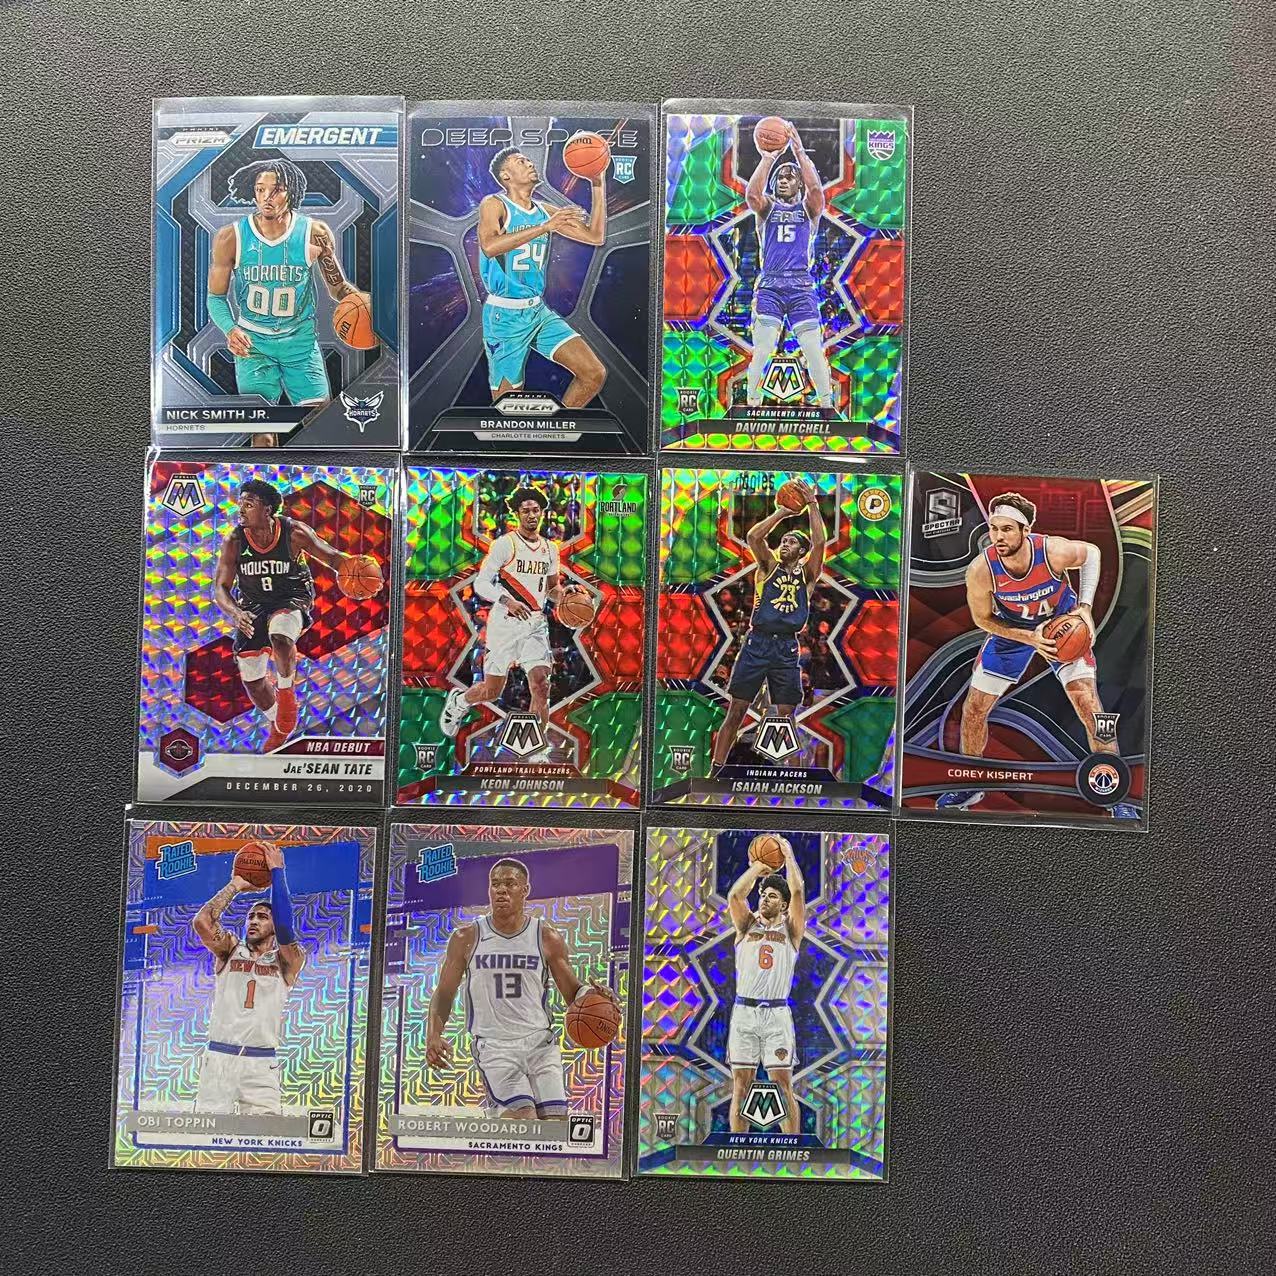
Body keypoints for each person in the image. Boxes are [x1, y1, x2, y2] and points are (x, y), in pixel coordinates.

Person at [937, 491, 1139, 819]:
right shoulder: (981, 570)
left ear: (1025, 530)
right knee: (973, 709)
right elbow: (982, 619)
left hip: (1062, 627)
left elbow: (1092, 553)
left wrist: (1085, 608)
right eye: (994, 528)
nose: (998, 537)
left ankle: (1115, 790)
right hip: (1014, 632)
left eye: (1007, 529)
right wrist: (1028, 637)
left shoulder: (1052, 551)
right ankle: (971, 781)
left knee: (1090, 705)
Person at [425, 858, 619, 1118]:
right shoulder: (466, 938)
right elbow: (445, 993)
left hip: (540, 1045)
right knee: (523, 1117)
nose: (501, 890)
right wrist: (433, 1035)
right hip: (496, 1047)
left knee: (555, 1125)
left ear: (525, 890)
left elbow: (572, 992)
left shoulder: (546, 937)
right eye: (495, 884)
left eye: (510, 884)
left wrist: (594, 996)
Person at [206, 157, 365, 445]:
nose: (266, 197)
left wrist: (363, 304)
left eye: (276, 189)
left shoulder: (314, 233)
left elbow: (338, 287)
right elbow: (215, 298)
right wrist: (230, 329)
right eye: (260, 189)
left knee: (321, 428)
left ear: (292, 191)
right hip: (253, 345)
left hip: (299, 342)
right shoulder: (231, 237)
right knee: (263, 436)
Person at [213, 478, 366, 752]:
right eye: (240, 504)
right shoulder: (234, 540)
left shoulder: (293, 532)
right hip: (253, 605)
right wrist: (236, 613)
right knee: (253, 681)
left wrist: (355, 567)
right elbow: (220, 588)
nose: (241, 510)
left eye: (249, 504)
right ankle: (280, 724)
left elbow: (331, 556)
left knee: (280, 635)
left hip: (292, 597)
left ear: (267, 510)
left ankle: (286, 693)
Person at [438, 487, 563, 763]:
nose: (532, 515)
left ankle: (536, 750)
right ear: (517, 514)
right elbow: (481, 584)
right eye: (526, 511)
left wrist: (567, 598)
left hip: (535, 623)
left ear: (542, 513)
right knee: (492, 690)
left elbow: (552, 589)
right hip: (505, 624)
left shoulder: (550, 548)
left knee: (541, 685)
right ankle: (459, 701)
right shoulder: (505, 544)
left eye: (536, 510)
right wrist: (507, 600)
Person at [476, 146, 608, 405]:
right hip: (505, 317)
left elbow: (595, 236)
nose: (529, 163)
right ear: (506, 176)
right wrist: (545, 227)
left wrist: (597, 183)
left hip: (537, 312)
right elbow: (489, 246)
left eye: (528, 160)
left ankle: (557, 430)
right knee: (508, 407)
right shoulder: (494, 204)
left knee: (593, 374)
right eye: (520, 161)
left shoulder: (544, 210)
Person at [712, 482, 826, 771]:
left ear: (802, 551)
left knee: (786, 714)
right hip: (758, 643)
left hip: (786, 646)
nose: (784, 544)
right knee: (737, 709)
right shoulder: (767, 567)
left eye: (791, 542)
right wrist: (782, 512)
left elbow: (820, 543)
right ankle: (717, 768)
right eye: (783, 540)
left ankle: (785, 771)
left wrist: (812, 505)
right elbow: (754, 536)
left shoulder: (807, 576)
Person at [192, 842, 305, 1114]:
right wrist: (236, 885)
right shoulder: (230, 949)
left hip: (261, 1064)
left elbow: (285, 926)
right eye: (251, 916)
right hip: (219, 1058)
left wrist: (277, 871)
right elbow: (202, 922)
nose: (253, 921)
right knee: (206, 1135)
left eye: (262, 917)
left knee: (265, 1136)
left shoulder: (288, 960)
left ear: (273, 926)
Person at [744, 121, 834, 410]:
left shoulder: (808, 209)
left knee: (813, 349)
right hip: (770, 285)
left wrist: (798, 151)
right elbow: (752, 196)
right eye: (779, 177)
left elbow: (816, 188)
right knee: (763, 349)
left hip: (800, 286)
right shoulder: (767, 209)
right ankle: (752, 403)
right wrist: (768, 158)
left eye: (789, 177)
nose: (783, 180)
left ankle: (827, 405)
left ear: (799, 184)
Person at [726, 839, 806, 1134]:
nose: (764, 899)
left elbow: (798, 891)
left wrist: (788, 856)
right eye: (762, 895)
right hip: (744, 1013)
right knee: (740, 1086)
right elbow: (735, 895)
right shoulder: (746, 925)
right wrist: (759, 867)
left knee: (783, 1085)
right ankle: (736, 1146)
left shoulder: (792, 930)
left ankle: (792, 1147)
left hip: (776, 1016)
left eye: (772, 896)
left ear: (783, 905)